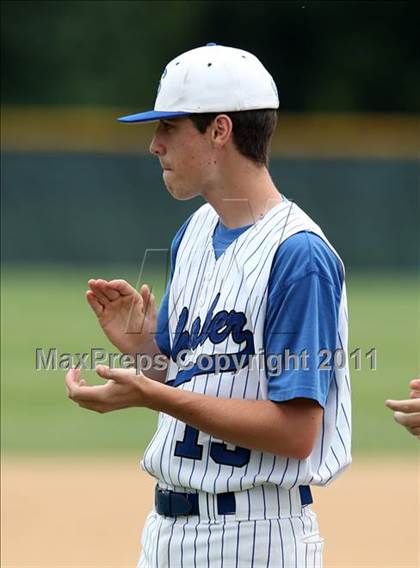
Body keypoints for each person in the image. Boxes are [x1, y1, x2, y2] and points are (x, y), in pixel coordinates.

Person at [65, 44, 352, 568]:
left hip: (255, 537)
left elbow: (296, 432)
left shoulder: (298, 254)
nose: (154, 145)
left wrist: (154, 396)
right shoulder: (194, 233)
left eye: (169, 127)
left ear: (220, 130)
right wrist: (143, 349)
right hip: (167, 535)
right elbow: (188, 379)